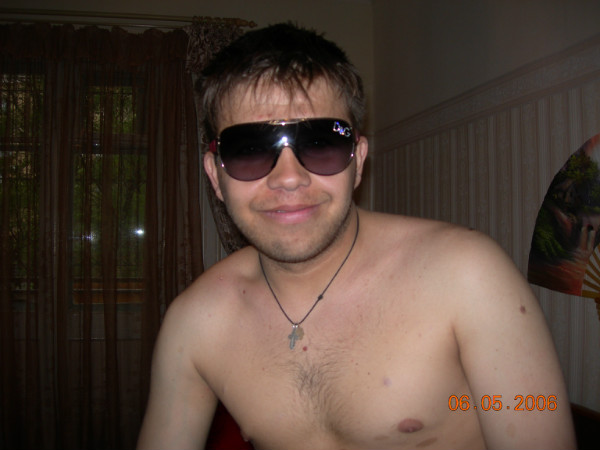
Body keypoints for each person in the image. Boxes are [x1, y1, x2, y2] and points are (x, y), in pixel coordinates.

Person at [137, 23, 576, 450]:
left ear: (358, 160)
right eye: (248, 149)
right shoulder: (196, 324)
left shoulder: (466, 277)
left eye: (320, 143)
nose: (289, 178)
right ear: (215, 175)